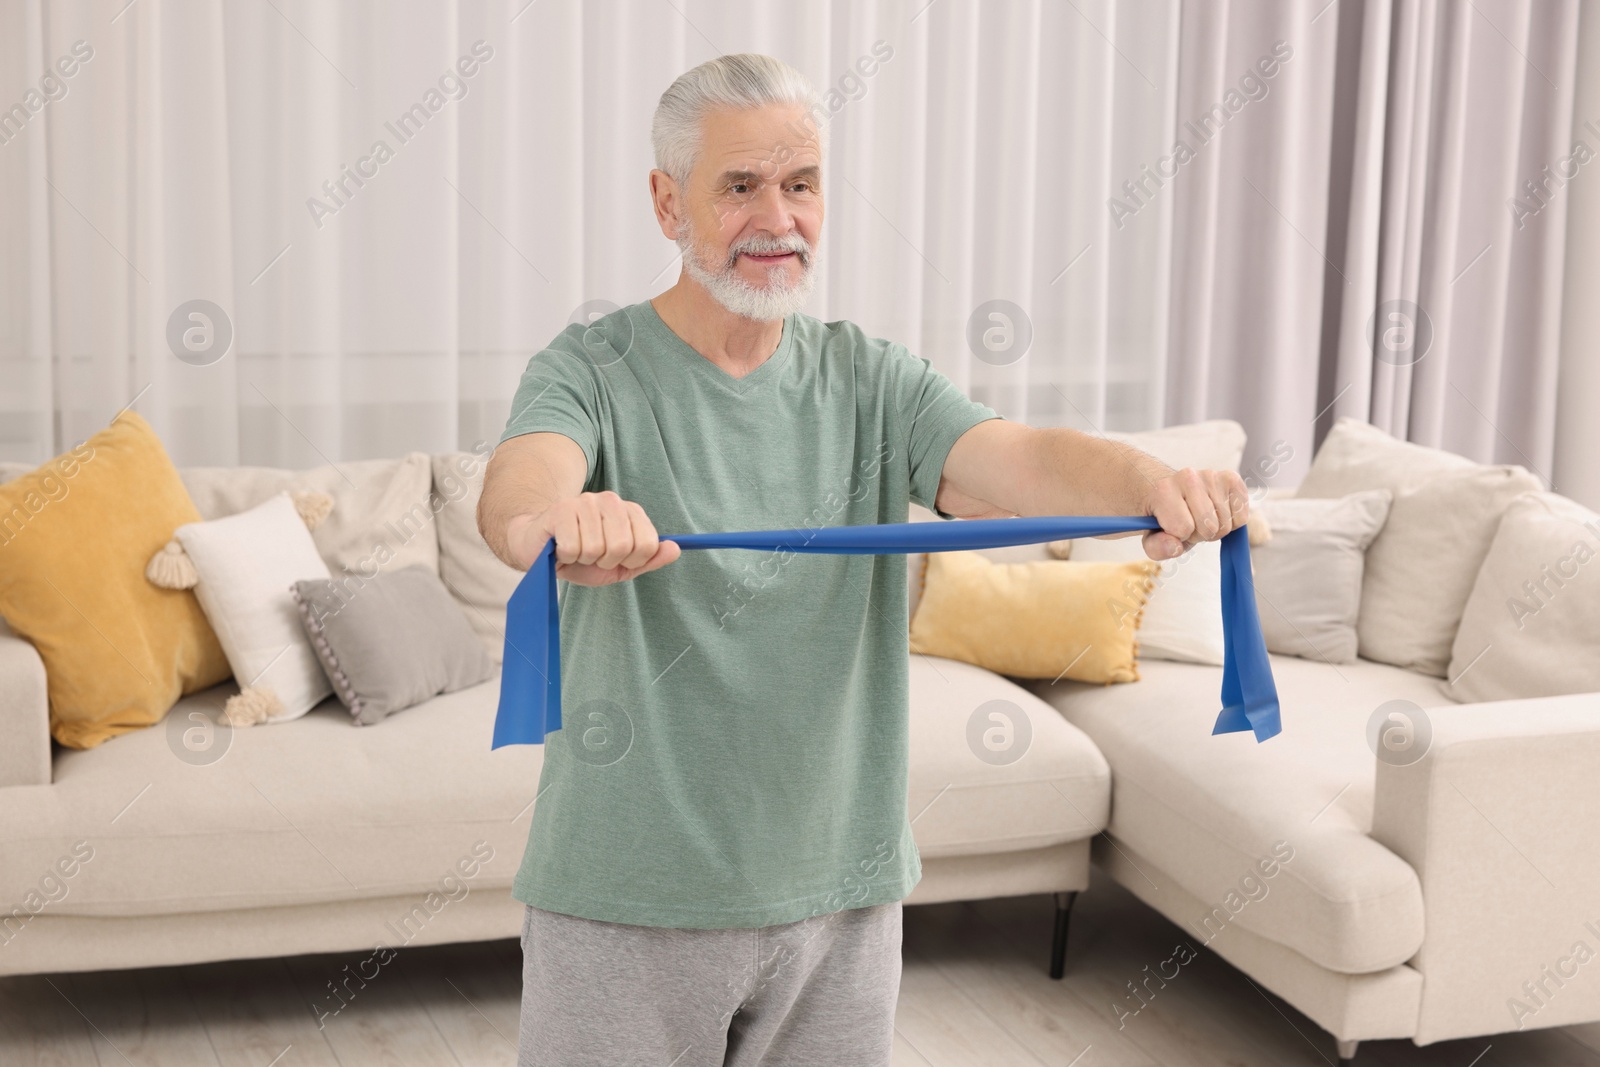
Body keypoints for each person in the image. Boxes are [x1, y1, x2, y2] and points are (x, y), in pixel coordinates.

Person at [477, 52, 1248, 1067]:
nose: (778, 217)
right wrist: (559, 522)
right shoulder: (590, 368)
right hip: (629, 899)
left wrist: (1150, 480)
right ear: (668, 203)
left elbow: (1011, 457)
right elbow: (517, 498)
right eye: (740, 186)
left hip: (845, 899)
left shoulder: (873, 379)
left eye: (800, 185)